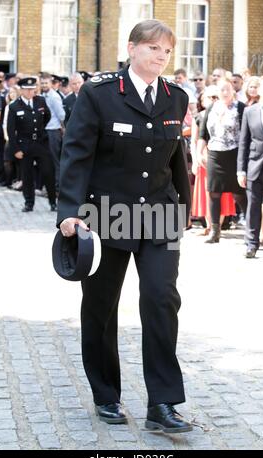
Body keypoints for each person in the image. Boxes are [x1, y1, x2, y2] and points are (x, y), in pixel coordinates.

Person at [57, 19, 193, 433]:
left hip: (159, 215)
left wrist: (183, 210)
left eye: (167, 51)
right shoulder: (99, 95)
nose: (161, 56)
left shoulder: (177, 98)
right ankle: (106, 394)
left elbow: (175, 158)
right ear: (132, 49)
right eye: (154, 48)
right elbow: (77, 153)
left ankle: (163, 404)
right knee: (100, 307)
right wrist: (69, 211)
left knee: (161, 298)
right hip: (106, 214)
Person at [198, 79, 247, 243]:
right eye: (221, 90)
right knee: (213, 192)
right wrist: (199, 152)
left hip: (234, 154)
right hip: (215, 155)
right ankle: (215, 231)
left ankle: (251, 229)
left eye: (227, 89)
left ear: (233, 91)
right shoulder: (212, 108)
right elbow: (203, 133)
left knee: (239, 193)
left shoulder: (240, 108)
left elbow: (246, 134)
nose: (224, 92)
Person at [7, 77, 57, 212]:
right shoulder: (14, 106)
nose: (30, 92)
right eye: (27, 90)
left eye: (32, 89)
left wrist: (41, 130)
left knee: (48, 172)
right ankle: (29, 203)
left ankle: (53, 202)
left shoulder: (40, 100)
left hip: (41, 143)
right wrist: (15, 149)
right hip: (25, 145)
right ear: (21, 90)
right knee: (27, 176)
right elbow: (11, 131)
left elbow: (47, 115)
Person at [237, 76, 263, 258]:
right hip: (254, 166)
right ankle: (251, 244)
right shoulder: (250, 111)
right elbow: (243, 142)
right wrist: (240, 170)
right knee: (253, 206)